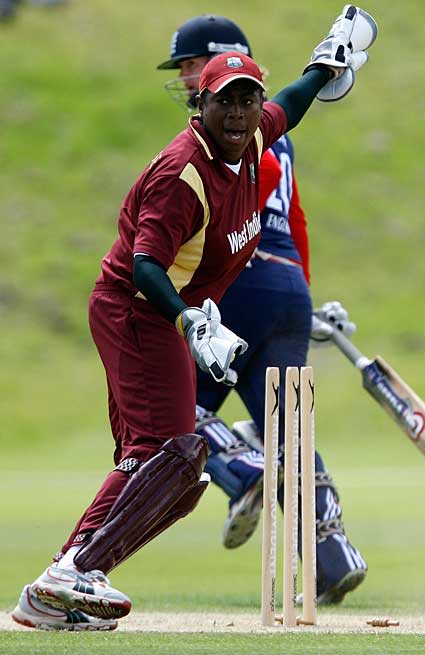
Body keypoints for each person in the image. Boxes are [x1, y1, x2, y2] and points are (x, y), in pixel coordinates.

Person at [11, 5, 375, 630]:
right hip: (136, 309)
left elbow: (292, 100)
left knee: (162, 471)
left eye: (246, 101)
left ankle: (59, 584)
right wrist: (189, 322)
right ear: (198, 109)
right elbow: (147, 265)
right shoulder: (184, 175)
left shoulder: (254, 132)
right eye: (224, 103)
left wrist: (325, 63)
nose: (237, 114)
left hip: (163, 312)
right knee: (174, 455)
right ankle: (74, 573)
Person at [160, 12, 376, 605]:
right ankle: (333, 555)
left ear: (218, 62)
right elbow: (296, 217)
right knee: (289, 427)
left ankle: (240, 471)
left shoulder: (221, 137)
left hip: (236, 282)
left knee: (174, 410)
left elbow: (246, 198)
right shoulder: (275, 124)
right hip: (285, 288)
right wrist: (303, 295)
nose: (184, 78)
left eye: (189, 64)